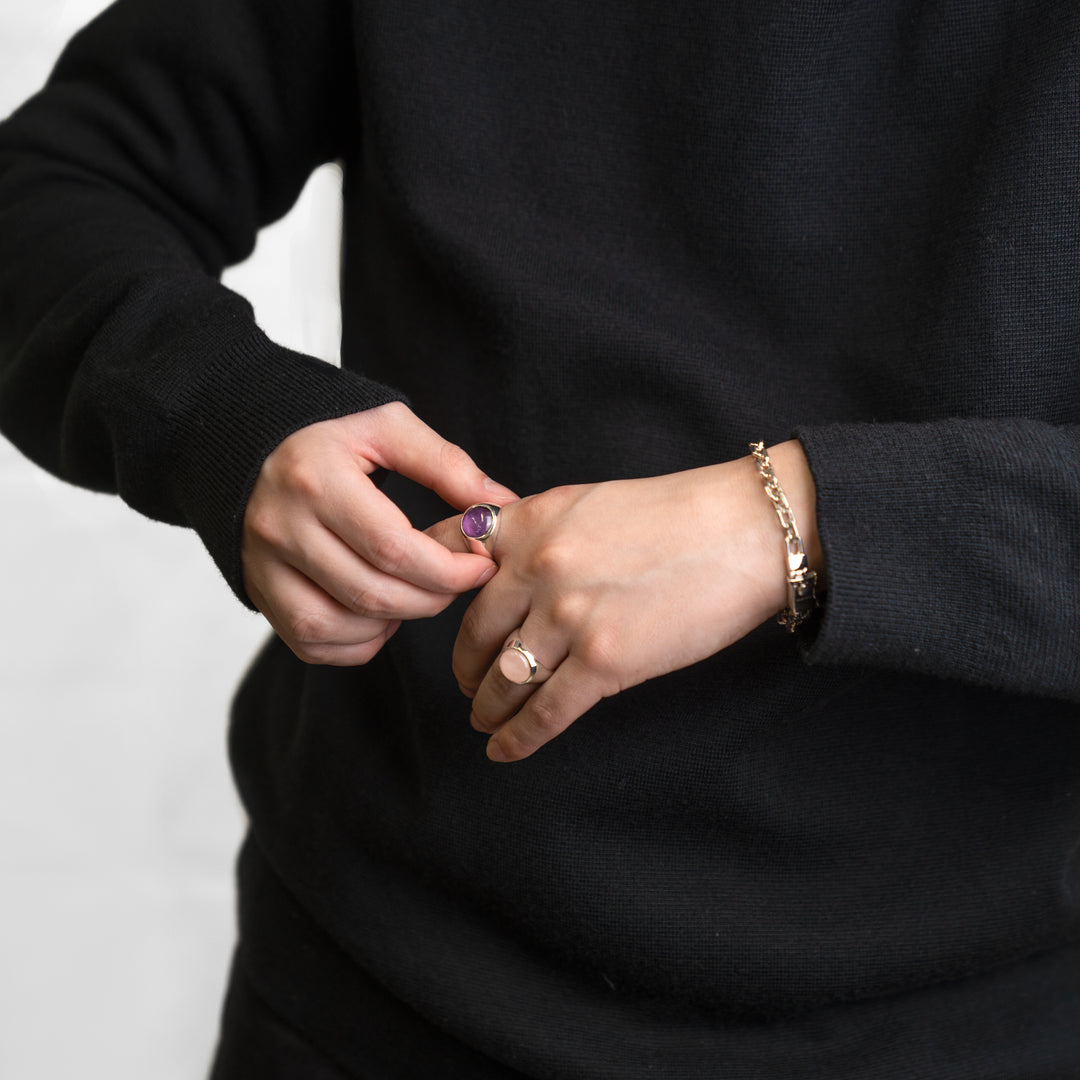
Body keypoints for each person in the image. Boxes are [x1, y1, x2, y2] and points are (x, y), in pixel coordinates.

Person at [1, 0, 1078, 1076]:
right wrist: (225, 419)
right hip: (379, 992)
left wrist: (793, 523)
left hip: (984, 1013)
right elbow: (59, 184)